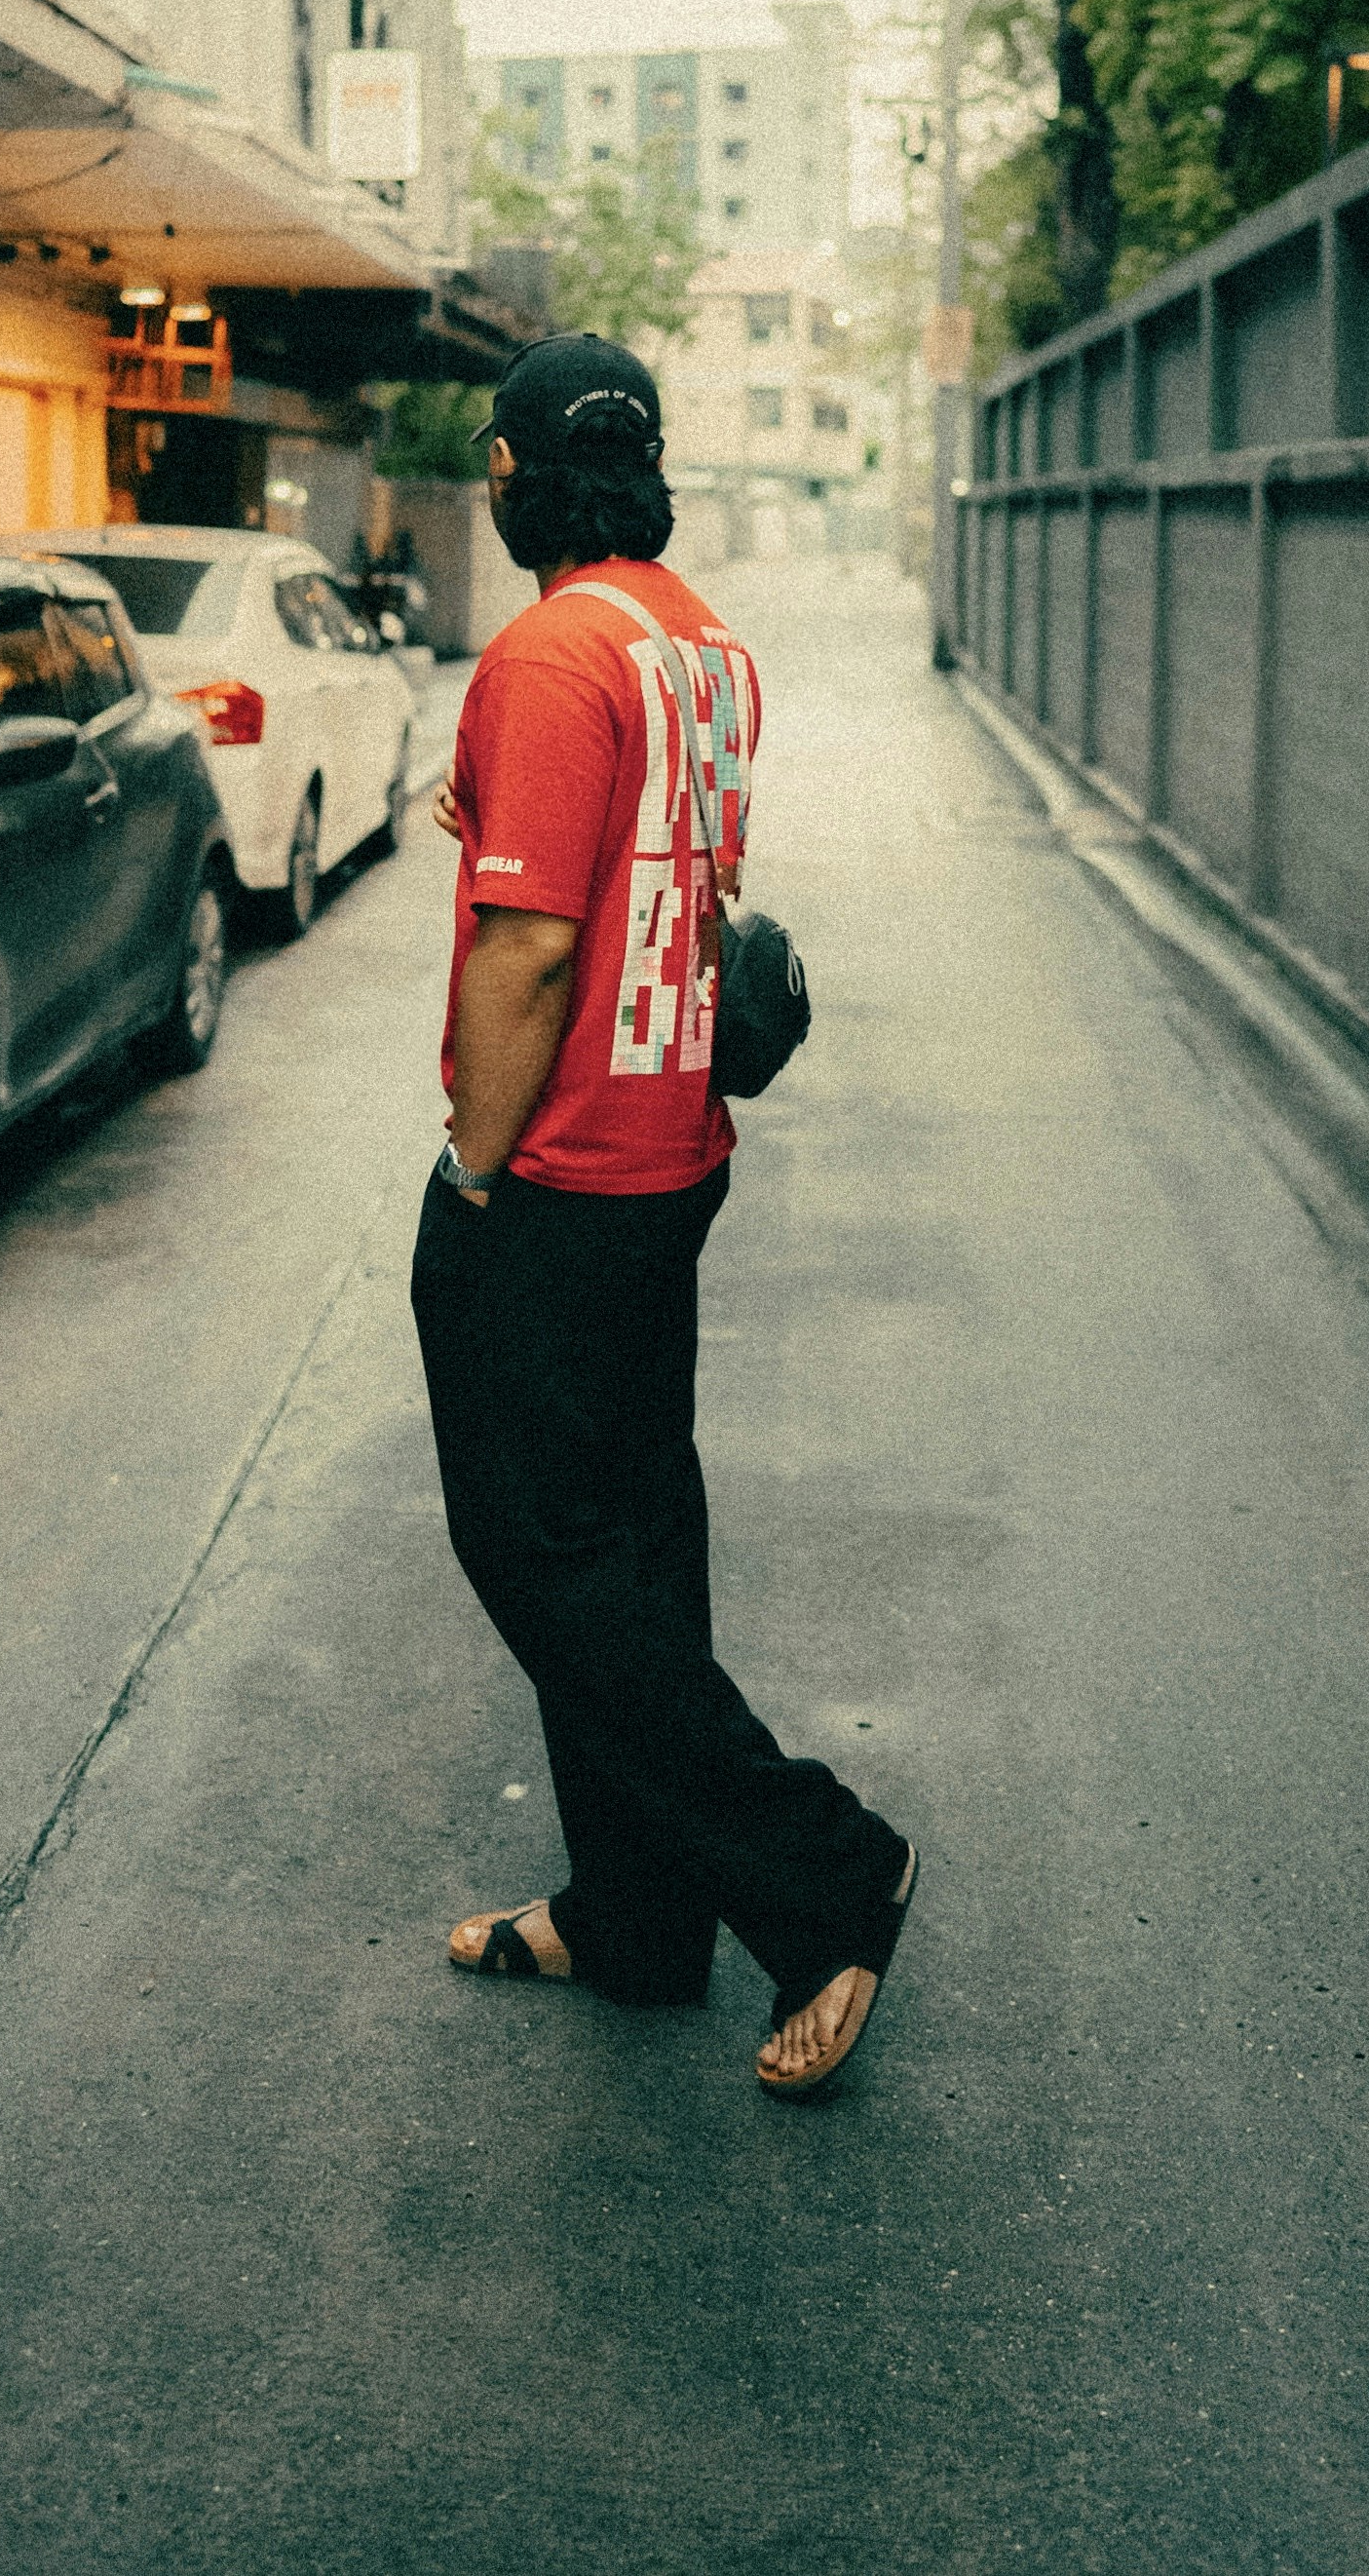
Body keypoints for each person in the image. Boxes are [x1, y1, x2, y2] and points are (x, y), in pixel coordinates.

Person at [411, 330, 915, 2100]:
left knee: (534, 1551)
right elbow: (688, 896)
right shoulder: (701, 642)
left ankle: (826, 1870)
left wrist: (468, 1174)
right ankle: (634, 1919)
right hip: (673, 1161)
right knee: (629, 1535)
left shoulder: (551, 655)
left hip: (552, 1182)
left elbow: (534, 942)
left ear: (508, 476)